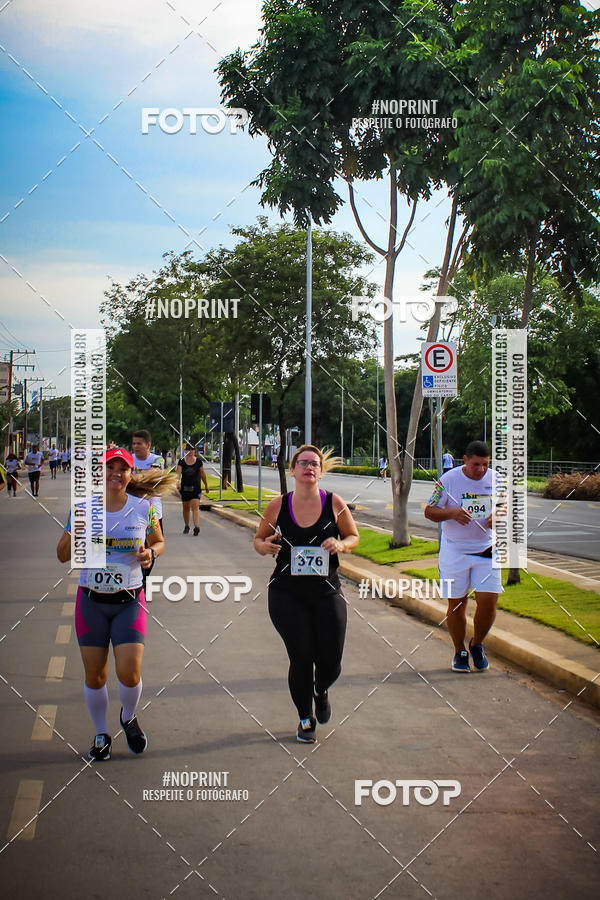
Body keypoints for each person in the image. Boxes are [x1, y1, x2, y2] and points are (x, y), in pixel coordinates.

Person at [56, 448, 177, 760]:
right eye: (110, 467)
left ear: (131, 474)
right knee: (95, 676)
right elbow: (61, 554)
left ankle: (128, 715)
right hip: (91, 602)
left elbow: (159, 542)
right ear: (100, 473)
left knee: (129, 673)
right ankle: (101, 732)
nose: (116, 473)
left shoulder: (145, 508)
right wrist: (76, 533)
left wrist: (152, 554)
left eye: (123, 468)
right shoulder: (82, 508)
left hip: (129, 601)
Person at [254, 445, 359, 743]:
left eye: (314, 463)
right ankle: (305, 719)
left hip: (327, 591)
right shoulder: (278, 505)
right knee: (301, 656)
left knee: (331, 660)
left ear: (321, 471)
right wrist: (267, 546)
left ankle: (320, 688)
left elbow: (353, 535)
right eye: (303, 463)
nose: (309, 468)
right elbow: (258, 540)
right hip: (287, 594)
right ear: (292, 470)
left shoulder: (334, 503)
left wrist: (342, 545)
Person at [424, 440, 503, 673]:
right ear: (465, 460)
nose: (481, 470)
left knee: (489, 602)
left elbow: (505, 504)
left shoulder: (497, 479)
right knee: (457, 603)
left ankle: (477, 643)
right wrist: (452, 513)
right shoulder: (448, 480)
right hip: (454, 549)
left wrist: (498, 514)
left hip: (486, 548)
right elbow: (430, 510)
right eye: (476, 464)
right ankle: (459, 651)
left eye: (485, 465)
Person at [176, 445, 209, 534]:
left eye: (192, 449)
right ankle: (187, 525)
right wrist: (177, 482)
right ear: (185, 451)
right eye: (188, 450)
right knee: (186, 508)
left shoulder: (198, 462)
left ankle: (196, 526)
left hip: (196, 488)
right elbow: (178, 474)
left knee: (195, 507)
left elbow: (202, 474)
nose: (190, 451)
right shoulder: (181, 461)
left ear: (195, 451)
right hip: (185, 488)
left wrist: (206, 485)